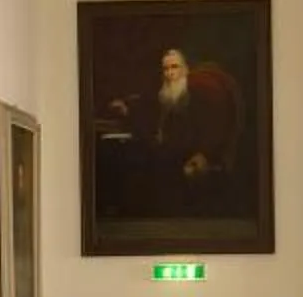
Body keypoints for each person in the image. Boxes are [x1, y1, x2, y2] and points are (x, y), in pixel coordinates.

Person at [101, 45, 242, 217]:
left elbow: (215, 127)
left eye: (174, 67)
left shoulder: (199, 92)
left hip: (194, 157)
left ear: (185, 70)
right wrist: (127, 108)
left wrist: (204, 154)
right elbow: (147, 105)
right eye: (166, 68)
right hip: (170, 156)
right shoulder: (165, 93)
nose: (170, 73)